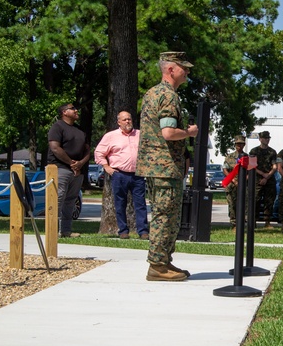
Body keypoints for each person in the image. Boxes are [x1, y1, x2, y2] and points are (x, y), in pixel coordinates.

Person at [137, 51, 198, 282]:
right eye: (184, 67)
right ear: (171, 69)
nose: (188, 71)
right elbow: (169, 133)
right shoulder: (168, 96)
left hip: (158, 166)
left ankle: (164, 260)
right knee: (166, 216)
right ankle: (158, 266)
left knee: (166, 214)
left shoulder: (153, 92)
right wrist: (190, 133)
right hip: (164, 166)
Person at [93, 110, 149, 239]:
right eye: (124, 119)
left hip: (138, 174)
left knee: (140, 204)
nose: (128, 121)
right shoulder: (110, 136)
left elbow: (148, 151)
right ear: (119, 122)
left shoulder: (140, 135)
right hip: (119, 174)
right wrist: (106, 167)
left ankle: (143, 231)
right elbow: (99, 152)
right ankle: (123, 231)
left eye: (129, 119)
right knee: (120, 204)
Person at [48, 102, 90, 239]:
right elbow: (55, 148)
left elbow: (88, 150)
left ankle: (66, 231)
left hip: (77, 171)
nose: (76, 110)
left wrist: (80, 164)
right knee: (57, 199)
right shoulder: (57, 127)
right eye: (73, 109)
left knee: (71, 200)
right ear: (64, 112)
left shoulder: (80, 130)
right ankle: (52, 231)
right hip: (60, 169)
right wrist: (71, 163)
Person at [250, 131, 278, 228]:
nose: (267, 140)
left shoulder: (272, 152)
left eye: (268, 138)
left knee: (269, 201)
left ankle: (267, 222)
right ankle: (253, 221)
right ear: (260, 139)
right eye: (265, 138)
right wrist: (263, 175)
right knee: (255, 200)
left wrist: (267, 176)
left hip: (269, 179)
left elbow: (275, 166)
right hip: (257, 179)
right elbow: (252, 166)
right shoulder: (254, 152)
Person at [223, 136, 247, 227]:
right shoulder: (229, 157)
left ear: (244, 145)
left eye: (241, 144)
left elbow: (251, 170)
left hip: (243, 184)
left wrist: (244, 179)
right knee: (232, 204)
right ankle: (233, 223)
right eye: (237, 144)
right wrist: (233, 180)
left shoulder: (247, 157)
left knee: (244, 204)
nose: (239, 146)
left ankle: (242, 223)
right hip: (232, 185)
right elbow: (225, 169)